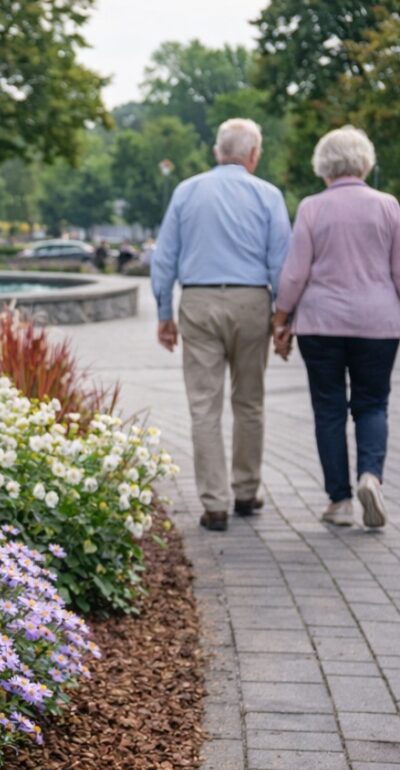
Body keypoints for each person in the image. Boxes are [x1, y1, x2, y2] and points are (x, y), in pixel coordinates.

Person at [152, 118, 292, 531]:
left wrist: (164, 312)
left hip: (198, 300)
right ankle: (247, 491)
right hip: (252, 300)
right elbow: (281, 262)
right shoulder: (268, 195)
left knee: (203, 405)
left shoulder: (186, 191)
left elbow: (164, 258)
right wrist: (283, 317)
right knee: (249, 401)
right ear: (254, 154)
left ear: (217, 152)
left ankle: (214, 503)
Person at [271, 126, 400, 529]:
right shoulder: (389, 206)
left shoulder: (312, 207)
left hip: (321, 324)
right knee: (372, 403)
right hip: (378, 322)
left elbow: (295, 273)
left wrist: (281, 317)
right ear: (365, 162)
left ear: (324, 166)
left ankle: (340, 501)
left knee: (328, 408)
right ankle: (370, 476)